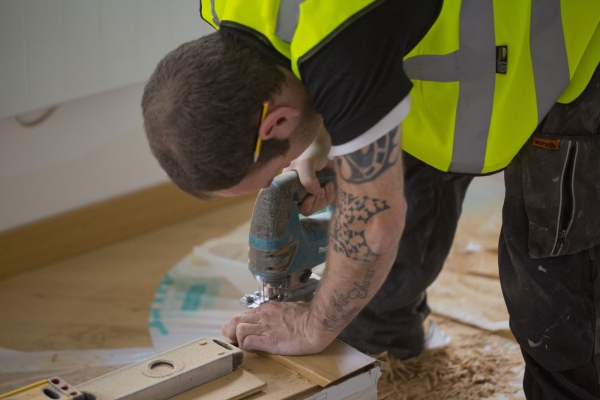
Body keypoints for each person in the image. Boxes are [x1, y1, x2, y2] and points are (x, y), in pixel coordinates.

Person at [141, 0, 600, 397]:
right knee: (375, 289)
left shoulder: (344, 46)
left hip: (560, 50)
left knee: (556, 307)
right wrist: (327, 133)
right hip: (433, 79)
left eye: (266, 173)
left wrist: (312, 325)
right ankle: (389, 353)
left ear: (276, 123)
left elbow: (375, 226)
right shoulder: (226, 9)